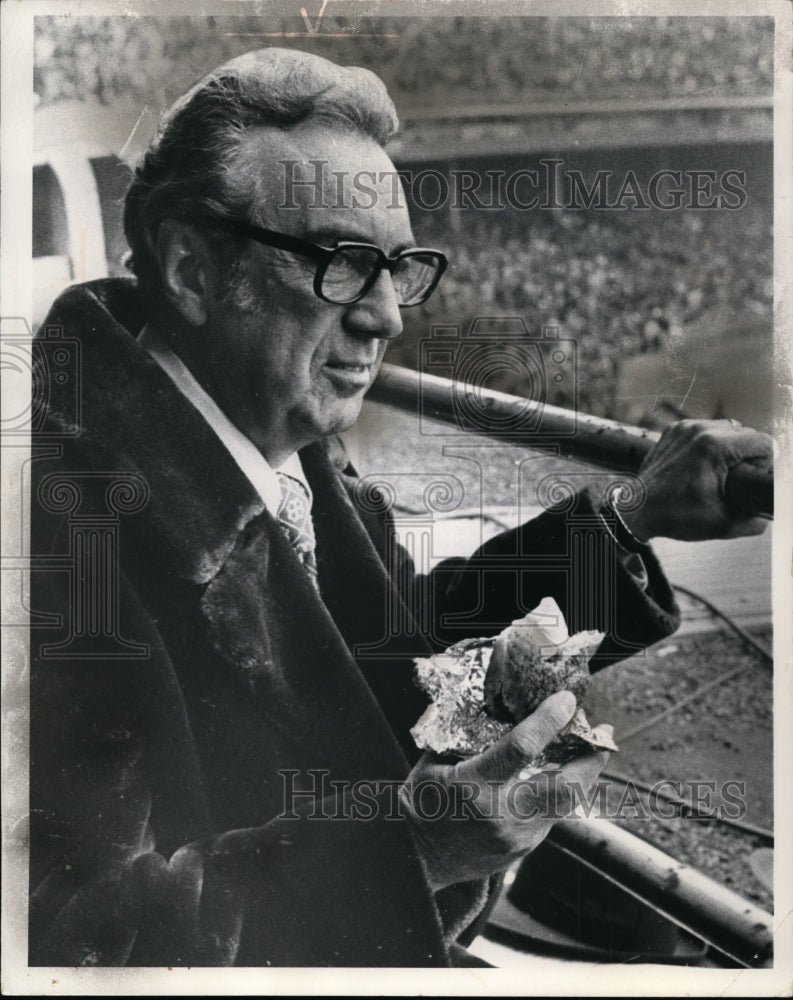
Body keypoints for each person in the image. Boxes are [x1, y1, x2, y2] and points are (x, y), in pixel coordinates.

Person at [29, 47, 772, 968]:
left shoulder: (277, 435)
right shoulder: (51, 534)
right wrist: (408, 852)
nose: (388, 316)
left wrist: (628, 517)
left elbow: (399, 645)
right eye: (343, 264)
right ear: (191, 270)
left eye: (399, 268)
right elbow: (68, 943)